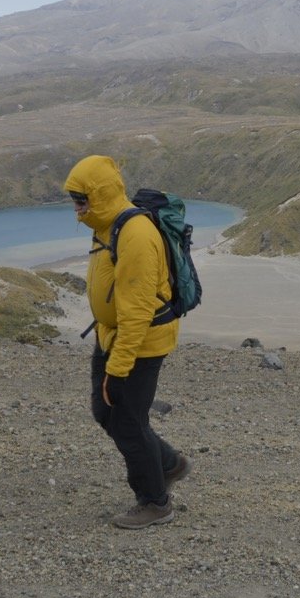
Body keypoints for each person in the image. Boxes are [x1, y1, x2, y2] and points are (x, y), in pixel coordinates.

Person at [64, 154, 191, 528]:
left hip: (140, 343)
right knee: (106, 413)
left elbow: (137, 312)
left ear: (100, 194)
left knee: (128, 423)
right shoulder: (105, 224)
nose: (76, 206)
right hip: (111, 337)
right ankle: (169, 464)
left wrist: (118, 371)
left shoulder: (134, 233)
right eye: (73, 198)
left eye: (81, 198)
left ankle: (155, 501)